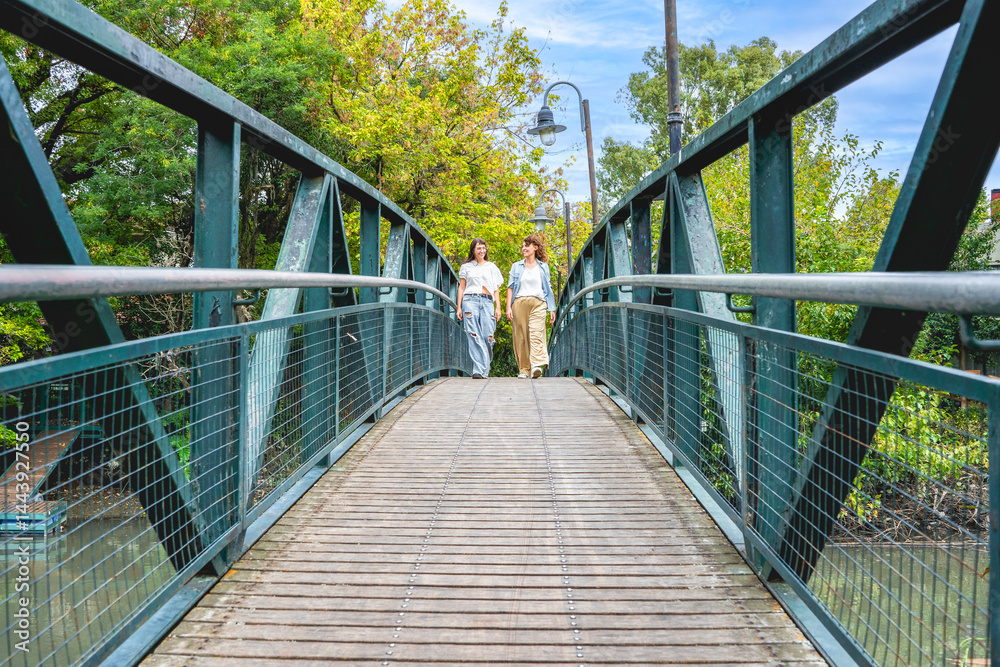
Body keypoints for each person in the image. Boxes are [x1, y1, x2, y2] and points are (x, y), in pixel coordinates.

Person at [506, 233, 556, 379]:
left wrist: (551, 308)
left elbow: (548, 288)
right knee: (520, 337)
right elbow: (510, 287)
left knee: (536, 333)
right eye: (522, 246)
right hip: (519, 303)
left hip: (538, 303)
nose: (523, 248)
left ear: (535, 247)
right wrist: (508, 307)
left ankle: (535, 365)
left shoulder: (543, 267)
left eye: (526, 245)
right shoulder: (516, 266)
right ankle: (523, 369)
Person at [457, 238, 503, 379]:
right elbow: (462, 287)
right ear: (473, 250)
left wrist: (498, 307)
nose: (482, 251)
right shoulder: (466, 267)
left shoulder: (492, 267)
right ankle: (478, 370)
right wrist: (459, 307)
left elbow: (496, 289)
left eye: (484, 248)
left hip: (488, 302)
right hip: (470, 300)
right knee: (473, 334)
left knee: (487, 337)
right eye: (479, 248)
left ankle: (485, 368)